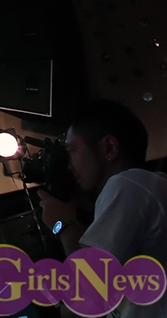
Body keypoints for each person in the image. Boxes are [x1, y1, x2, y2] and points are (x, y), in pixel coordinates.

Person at [39, 100, 167, 318]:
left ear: (109, 147)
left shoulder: (127, 185)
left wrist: (63, 225)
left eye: (72, 150)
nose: (70, 165)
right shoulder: (143, 187)